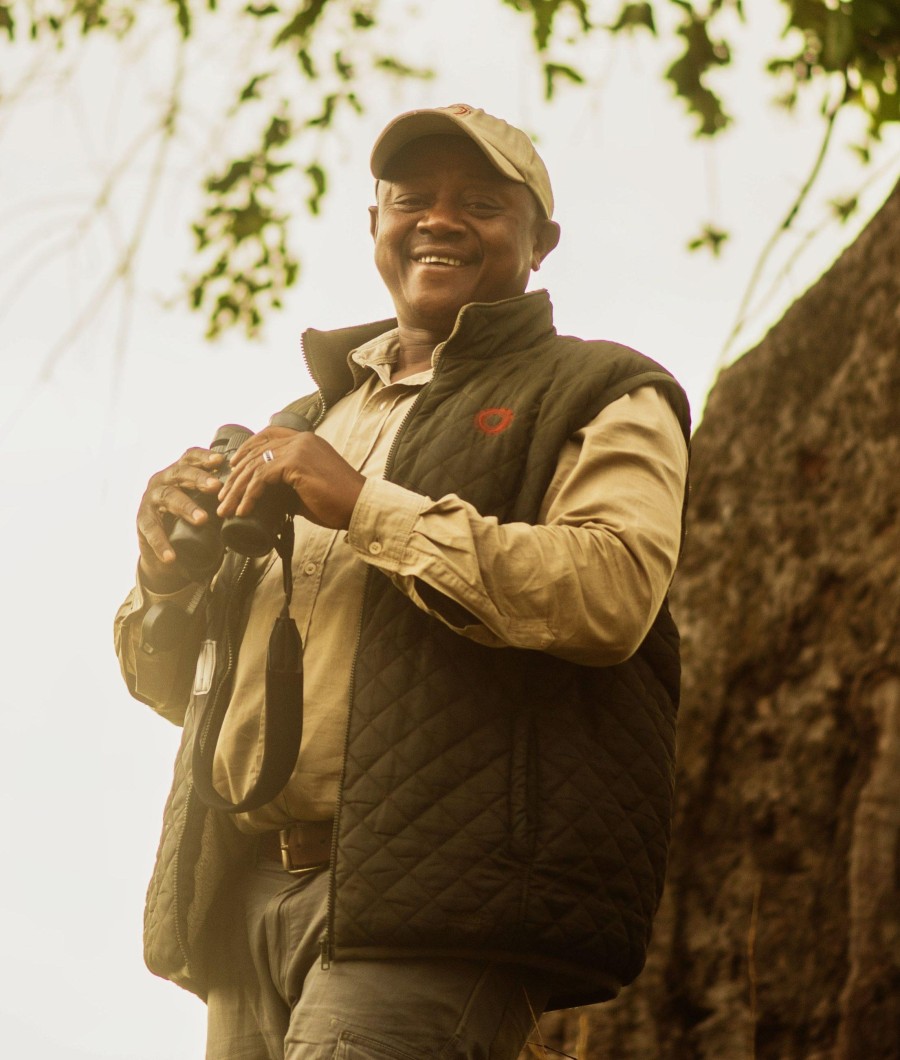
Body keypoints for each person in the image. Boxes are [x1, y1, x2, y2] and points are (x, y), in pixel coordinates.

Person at [115, 103, 690, 1060]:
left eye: (481, 203)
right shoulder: (307, 417)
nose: (438, 218)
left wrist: (365, 505)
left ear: (541, 242)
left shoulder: (602, 391)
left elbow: (613, 592)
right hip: (245, 894)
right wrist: (166, 581)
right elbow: (193, 692)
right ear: (373, 225)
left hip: (439, 899)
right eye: (410, 198)